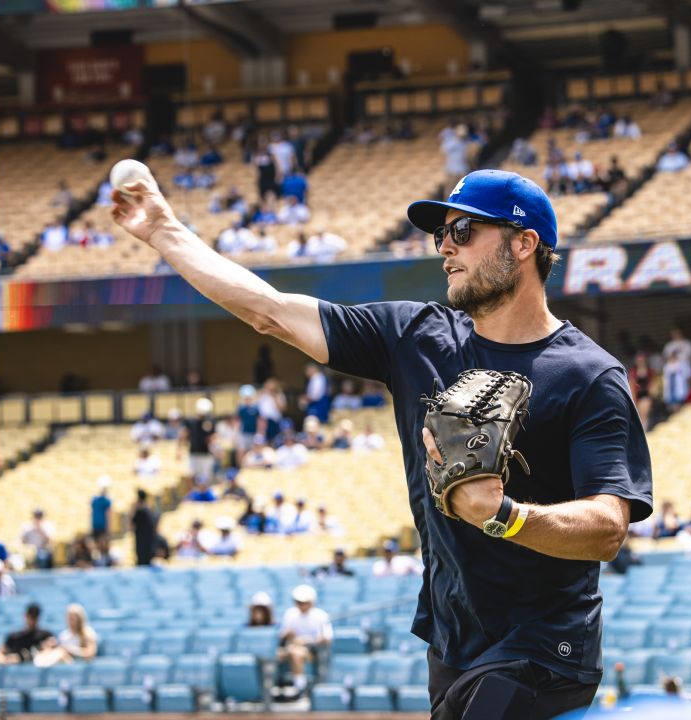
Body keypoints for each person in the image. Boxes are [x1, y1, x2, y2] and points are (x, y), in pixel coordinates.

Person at [111, 166, 652, 718]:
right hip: (453, 644)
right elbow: (268, 311)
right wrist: (163, 231)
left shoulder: (589, 375)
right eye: (439, 234)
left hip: (544, 650)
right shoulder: (416, 337)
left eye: (462, 231)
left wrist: (503, 515)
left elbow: (608, 529)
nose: (444, 247)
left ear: (524, 243)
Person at [279, 584, 334, 697]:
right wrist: (288, 635)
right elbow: (282, 635)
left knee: (296, 653)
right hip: (290, 647)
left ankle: (300, 688)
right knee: (273, 655)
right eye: (298, 602)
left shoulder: (321, 615)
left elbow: (327, 638)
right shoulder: (290, 614)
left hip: (312, 651)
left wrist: (306, 641)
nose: (301, 605)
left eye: (304, 602)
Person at [178, 397, 217, 491]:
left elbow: (213, 438)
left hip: (206, 454)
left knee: (206, 476)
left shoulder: (210, 422)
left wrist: (215, 448)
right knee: (191, 475)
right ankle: (192, 494)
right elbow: (183, 435)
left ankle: (205, 495)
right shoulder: (191, 421)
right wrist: (179, 450)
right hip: (194, 452)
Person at [130, 489, 159, 567]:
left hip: (142, 545)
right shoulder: (148, 510)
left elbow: (132, 524)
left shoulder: (140, 511)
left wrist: (133, 509)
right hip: (148, 545)